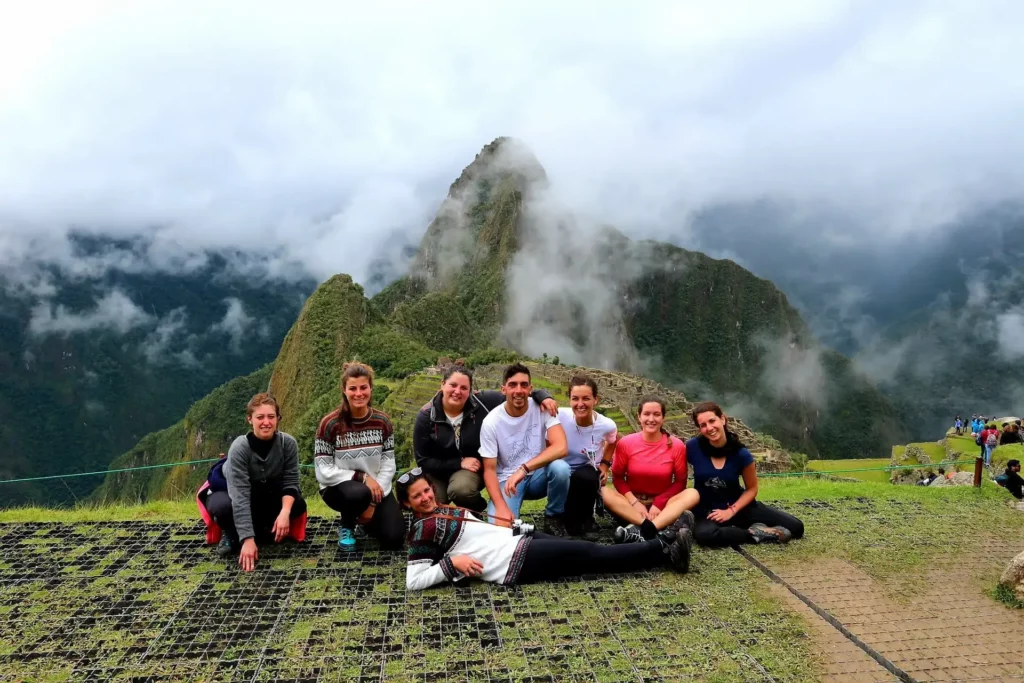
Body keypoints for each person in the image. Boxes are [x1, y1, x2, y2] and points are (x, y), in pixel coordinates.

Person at [397, 468, 692, 590]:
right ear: (407, 505)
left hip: (514, 541)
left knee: (583, 555)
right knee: (589, 553)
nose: (425, 498)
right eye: (417, 497)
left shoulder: (442, 509)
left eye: (426, 491)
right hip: (510, 561)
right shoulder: (422, 530)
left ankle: (662, 543)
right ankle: (663, 550)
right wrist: (453, 563)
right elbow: (413, 580)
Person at [413, 362, 556, 512]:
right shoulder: (426, 416)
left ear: (470, 390)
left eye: (463, 388)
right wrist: (459, 463)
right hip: (438, 471)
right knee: (433, 507)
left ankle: (476, 511)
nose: (457, 391)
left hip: (472, 470)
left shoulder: (482, 402)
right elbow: (423, 460)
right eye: (453, 385)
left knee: (461, 489)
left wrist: (543, 396)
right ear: (442, 385)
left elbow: (516, 393)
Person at [203, 392, 307, 572]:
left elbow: (291, 482)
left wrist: (284, 512)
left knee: (296, 504)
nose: (266, 422)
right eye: (260, 417)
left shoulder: (287, 444)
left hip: (263, 490)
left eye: (271, 417)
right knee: (223, 507)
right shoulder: (240, 447)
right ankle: (232, 532)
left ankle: (260, 528)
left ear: (278, 419)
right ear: (250, 419)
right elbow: (240, 495)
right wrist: (248, 540)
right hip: (229, 489)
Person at [686, 401, 804, 547]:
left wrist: (731, 511)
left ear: (722, 419)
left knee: (796, 527)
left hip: (738, 506)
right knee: (705, 536)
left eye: (712, 421)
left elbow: (752, 489)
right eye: (703, 425)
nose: (709, 428)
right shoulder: (693, 447)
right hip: (708, 510)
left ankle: (737, 527)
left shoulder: (741, 454)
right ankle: (754, 533)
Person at [314, 362, 403, 550]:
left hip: (376, 488)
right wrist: (362, 478)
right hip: (339, 489)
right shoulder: (330, 424)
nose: (359, 393)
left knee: (394, 538)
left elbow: (388, 464)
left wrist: (373, 501)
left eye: (364, 387)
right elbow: (323, 471)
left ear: (371, 388)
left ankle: (365, 522)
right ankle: (347, 525)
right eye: (352, 388)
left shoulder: (382, 422)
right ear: (344, 390)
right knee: (358, 492)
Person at [480, 363, 570, 535]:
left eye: (524, 385)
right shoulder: (491, 422)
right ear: (503, 389)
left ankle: (553, 517)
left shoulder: (543, 408)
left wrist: (524, 469)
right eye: (513, 385)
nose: (518, 390)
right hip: (508, 482)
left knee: (561, 468)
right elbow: (489, 471)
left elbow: (561, 446)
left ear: (530, 389)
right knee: (500, 531)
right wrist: (501, 507)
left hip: (537, 476)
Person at [602, 395, 700, 544]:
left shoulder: (676, 446)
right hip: (632, 506)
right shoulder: (626, 444)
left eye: (656, 414)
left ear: (663, 418)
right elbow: (618, 478)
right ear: (639, 417)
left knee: (692, 493)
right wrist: (635, 503)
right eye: (646, 414)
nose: (651, 419)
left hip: (663, 508)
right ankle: (652, 528)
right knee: (602, 491)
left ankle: (645, 528)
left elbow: (680, 483)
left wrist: (659, 503)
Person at [556, 375, 619, 537]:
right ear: (569, 400)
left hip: (587, 474)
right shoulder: (559, 416)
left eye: (586, 398)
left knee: (587, 476)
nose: (580, 404)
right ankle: (561, 517)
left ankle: (587, 518)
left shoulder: (606, 424)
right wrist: (545, 397)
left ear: (595, 400)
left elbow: (612, 441)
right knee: (560, 471)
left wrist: (604, 464)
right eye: (575, 398)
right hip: (561, 471)